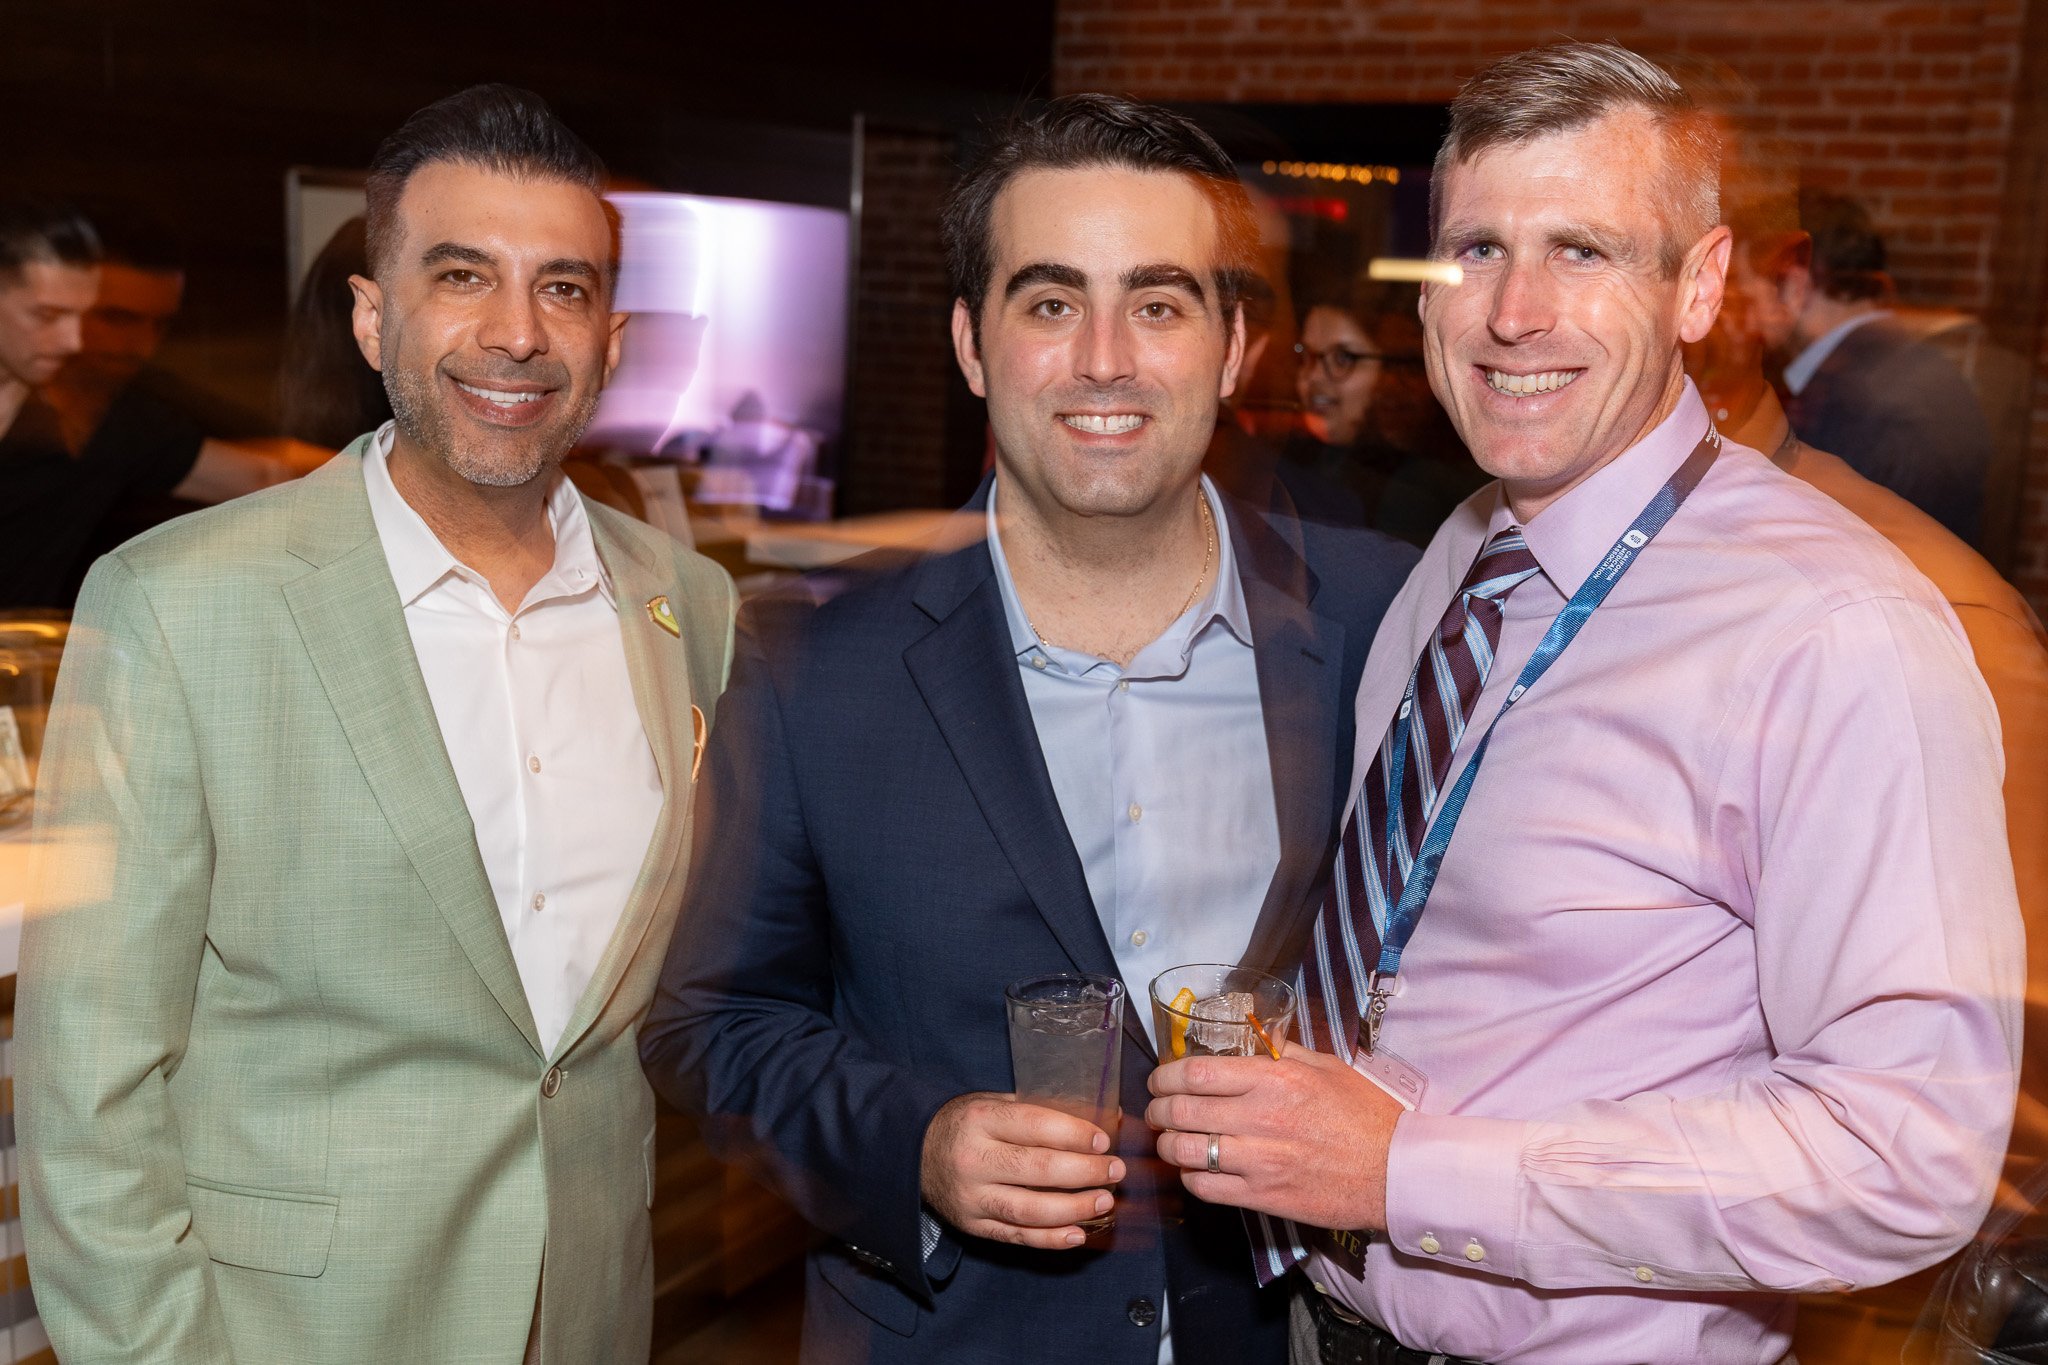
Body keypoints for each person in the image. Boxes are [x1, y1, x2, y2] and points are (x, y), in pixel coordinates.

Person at [1146, 43, 2021, 1365]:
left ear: (1699, 286)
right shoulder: (1462, 553)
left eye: (1583, 250)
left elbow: (1907, 1154)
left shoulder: (1834, 632)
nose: (1513, 312)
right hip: (1326, 1328)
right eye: (1477, 250)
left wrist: (1410, 1173)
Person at [640, 93, 1417, 1365]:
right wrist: (914, 1147)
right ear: (970, 343)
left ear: (1231, 348)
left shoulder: (1386, 617)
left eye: (1157, 305)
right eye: (1050, 303)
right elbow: (712, 1022)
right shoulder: (813, 669)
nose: (1103, 358)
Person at [17, 84, 736, 1363]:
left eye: (563, 288)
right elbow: (90, 1070)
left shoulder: (685, 603)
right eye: (462, 276)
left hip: (592, 1311)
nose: (516, 333)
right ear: (370, 315)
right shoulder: (180, 602)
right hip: (295, 1327)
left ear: (610, 336)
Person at [1682, 99, 2048, 1365]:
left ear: (1748, 288)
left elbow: (1981, 1082)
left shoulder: (1915, 611)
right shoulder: (1496, 558)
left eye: (1615, 250)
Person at [1773, 188, 1994, 545]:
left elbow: (1817, 545)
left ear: (1797, 285)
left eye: (1752, 287)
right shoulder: (1922, 368)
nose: (1744, 315)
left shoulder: (1850, 397)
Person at [1280, 276, 1482, 546]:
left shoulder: (1415, 492)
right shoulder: (1298, 465)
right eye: (1306, 356)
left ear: (1397, 371)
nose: (1313, 376)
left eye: (1343, 358)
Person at [0, 196, 106, 605]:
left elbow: (259, 475)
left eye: (83, 316)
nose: (73, 341)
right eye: (47, 316)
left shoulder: (99, 415)